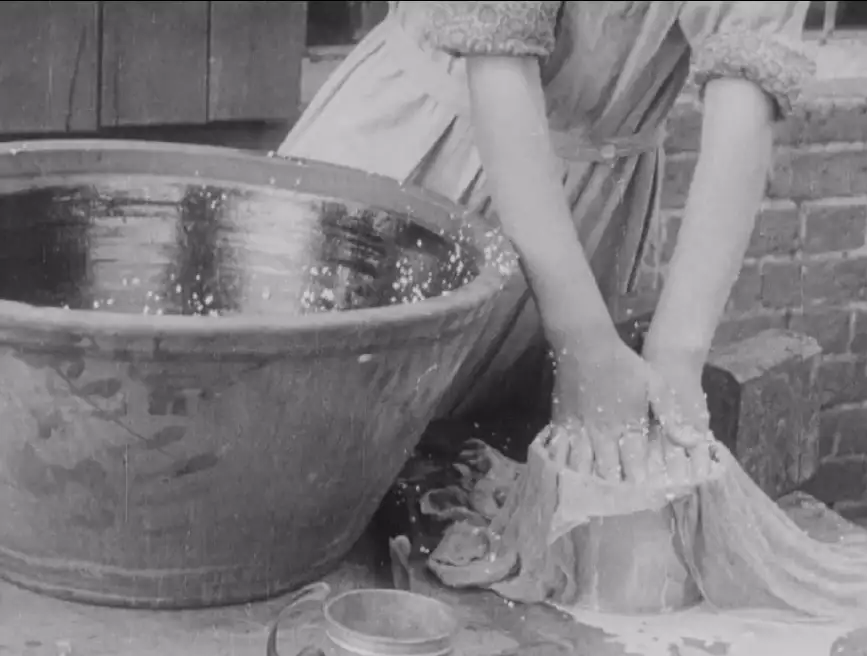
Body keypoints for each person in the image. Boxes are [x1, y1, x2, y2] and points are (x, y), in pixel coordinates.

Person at [281, 1, 816, 467]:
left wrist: (676, 357)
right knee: (312, 441)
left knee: (488, 460)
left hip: (592, 215)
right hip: (426, 169)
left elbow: (749, 83)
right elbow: (496, 60)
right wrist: (582, 344)